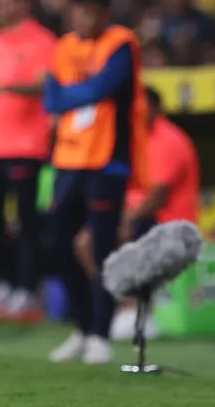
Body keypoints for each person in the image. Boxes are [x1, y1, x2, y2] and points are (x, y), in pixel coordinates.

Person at [43, 0, 148, 365]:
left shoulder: (121, 43)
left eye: (89, 12)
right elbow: (51, 98)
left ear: (104, 13)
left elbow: (108, 85)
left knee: (101, 250)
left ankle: (100, 335)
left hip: (108, 161)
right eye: (77, 12)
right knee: (57, 245)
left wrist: (79, 91)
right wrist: (85, 92)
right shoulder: (65, 46)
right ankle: (84, 327)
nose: (81, 19)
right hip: (68, 159)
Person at [73, 86, 200, 340]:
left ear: (156, 109)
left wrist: (123, 220)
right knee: (84, 241)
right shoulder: (132, 139)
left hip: (169, 222)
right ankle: (114, 306)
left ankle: (137, 311)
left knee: (111, 237)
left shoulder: (167, 140)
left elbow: (157, 197)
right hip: (135, 214)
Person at [0, 0, 56, 320]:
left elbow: (46, 82)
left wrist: (6, 88)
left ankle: (27, 288)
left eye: (6, 0)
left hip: (26, 144)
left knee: (26, 221)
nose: (0, 7)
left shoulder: (44, 41)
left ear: (25, 2)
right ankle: (6, 282)